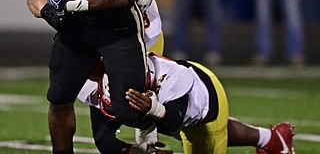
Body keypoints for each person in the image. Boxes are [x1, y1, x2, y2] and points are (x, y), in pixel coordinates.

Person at [2, 0, 150, 154]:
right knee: (58, 96)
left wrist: (72, 6)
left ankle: (175, 115)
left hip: (114, 28)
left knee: (128, 109)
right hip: (77, 28)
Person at [79, 51, 295, 154]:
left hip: (206, 101)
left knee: (196, 133)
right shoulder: (101, 86)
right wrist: (140, 152)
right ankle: (271, 139)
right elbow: (103, 139)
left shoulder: (171, 80)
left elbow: (175, 122)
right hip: (163, 109)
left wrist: (153, 109)